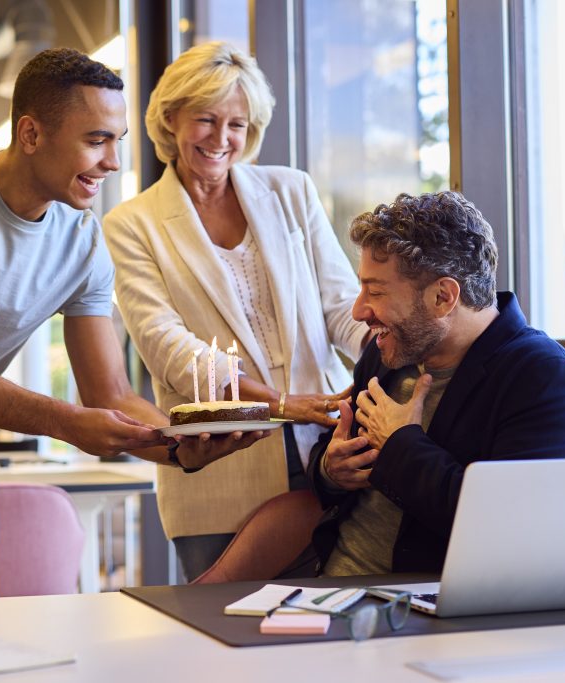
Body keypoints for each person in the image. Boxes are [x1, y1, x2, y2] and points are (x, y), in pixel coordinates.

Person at [0, 47, 266, 600]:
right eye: (96, 140)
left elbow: (108, 393)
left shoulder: (84, 241)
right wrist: (67, 423)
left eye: (116, 141)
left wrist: (176, 446)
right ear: (30, 134)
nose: (113, 162)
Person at [101, 41, 368, 581]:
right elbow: (166, 345)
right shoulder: (132, 224)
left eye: (237, 125)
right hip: (219, 473)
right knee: (227, 638)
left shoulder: (291, 190)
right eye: (206, 119)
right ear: (170, 118)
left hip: (329, 453)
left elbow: (343, 305)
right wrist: (280, 404)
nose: (221, 139)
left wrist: (393, 348)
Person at [308, 191, 565, 576]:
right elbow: (330, 460)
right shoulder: (388, 350)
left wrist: (400, 444)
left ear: (443, 296)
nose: (358, 311)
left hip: (429, 613)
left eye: (375, 292)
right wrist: (331, 469)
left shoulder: (543, 379)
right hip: (327, 590)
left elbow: (505, 529)